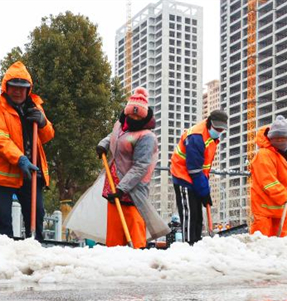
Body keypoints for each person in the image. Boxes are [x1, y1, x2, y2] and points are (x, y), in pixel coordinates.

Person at [0, 61, 54, 241]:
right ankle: (4, 259)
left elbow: (47, 136)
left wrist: (43, 123)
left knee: (36, 215)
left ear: (28, 89)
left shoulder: (35, 106)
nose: (18, 91)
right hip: (2, 175)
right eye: (14, 87)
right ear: (6, 87)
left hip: (30, 173)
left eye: (23, 88)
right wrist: (20, 159)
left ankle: (36, 252)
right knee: (3, 222)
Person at [96, 87, 169, 248]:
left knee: (133, 221)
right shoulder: (121, 125)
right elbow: (114, 135)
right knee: (115, 225)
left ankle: (138, 253)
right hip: (113, 183)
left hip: (132, 189)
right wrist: (104, 144)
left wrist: (122, 188)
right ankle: (114, 252)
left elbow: (141, 166)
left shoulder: (146, 137)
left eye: (138, 115)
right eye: (132, 114)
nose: (134, 118)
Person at [169, 109, 228, 243]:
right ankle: (188, 245)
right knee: (190, 215)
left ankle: (196, 243)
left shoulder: (211, 136)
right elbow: (194, 169)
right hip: (183, 176)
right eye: (217, 128)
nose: (219, 132)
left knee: (197, 216)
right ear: (209, 123)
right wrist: (204, 192)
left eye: (221, 129)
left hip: (196, 177)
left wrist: (204, 190)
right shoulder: (196, 137)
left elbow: (203, 167)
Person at [249, 116, 287, 237]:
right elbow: (268, 182)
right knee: (261, 240)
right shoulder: (263, 155)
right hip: (264, 206)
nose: (280, 141)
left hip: (283, 205)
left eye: (283, 139)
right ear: (270, 138)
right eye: (276, 139)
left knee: (282, 241)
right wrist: (284, 197)